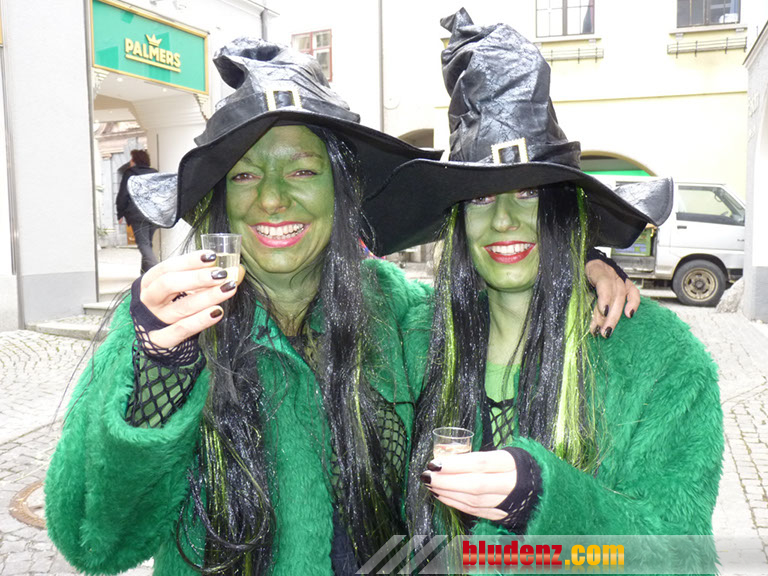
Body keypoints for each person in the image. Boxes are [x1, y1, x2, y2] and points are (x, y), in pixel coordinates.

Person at [46, 38, 639, 575]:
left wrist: (573, 260)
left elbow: (492, 295)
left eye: (303, 170)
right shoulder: (170, 326)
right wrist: (158, 369)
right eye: (245, 176)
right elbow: (96, 545)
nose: (272, 199)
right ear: (220, 198)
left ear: (341, 192)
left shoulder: (397, 312)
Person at [368, 8, 723, 557]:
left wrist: (546, 501)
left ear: (562, 208)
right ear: (457, 221)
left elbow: (683, 556)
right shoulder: (412, 337)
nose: (503, 220)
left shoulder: (661, 362)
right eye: (480, 198)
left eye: (529, 193)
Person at [116, 149, 160, 273]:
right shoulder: (154, 173)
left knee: (143, 245)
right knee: (147, 244)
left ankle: (156, 270)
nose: (130, 161)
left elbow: (123, 195)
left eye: (132, 159)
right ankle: (145, 273)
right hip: (154, 214)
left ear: (135, 160)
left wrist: (120, 213)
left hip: (138, 215)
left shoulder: (130, 174)